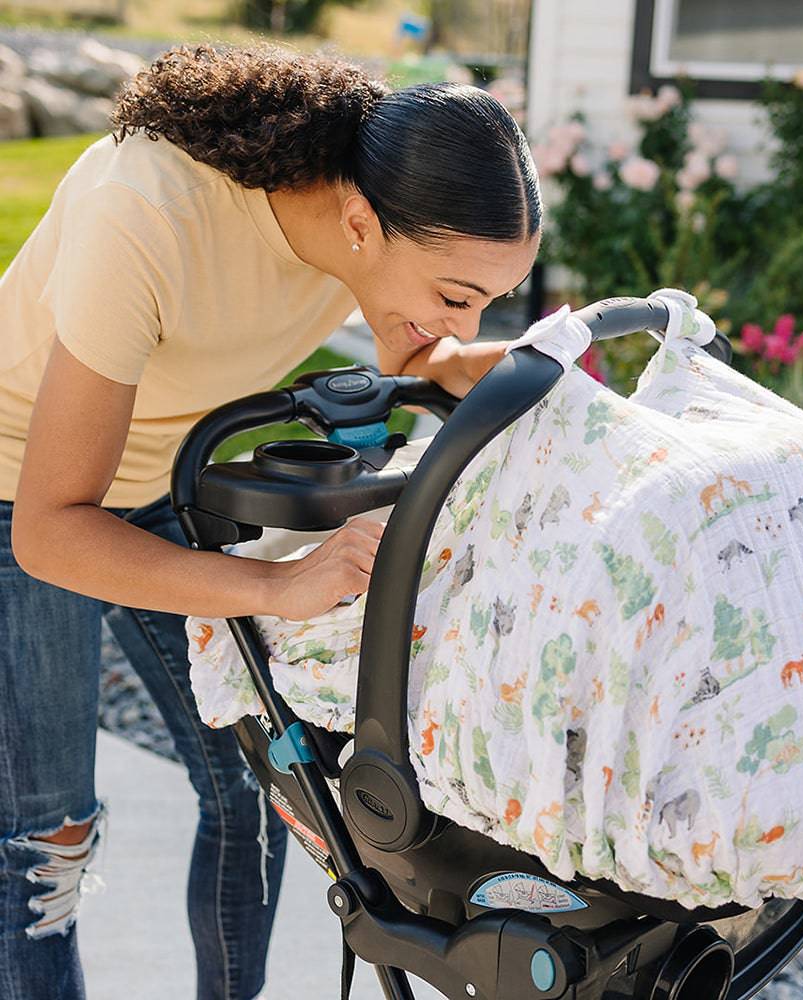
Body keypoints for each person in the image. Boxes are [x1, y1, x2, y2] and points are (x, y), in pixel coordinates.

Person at [0, 42, 541, 1000]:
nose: (462, 320)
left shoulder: (359, 210)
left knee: (264, 790)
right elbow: (52, 531)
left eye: (487, 301)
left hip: (166, 476)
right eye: (456, 298)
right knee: (46, 840)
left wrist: (442, 359)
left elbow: (388, 327)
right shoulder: (149, 212)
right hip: (22, 489)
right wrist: (271, 587)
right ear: (361, 223)